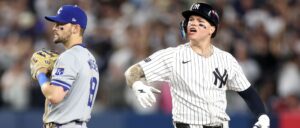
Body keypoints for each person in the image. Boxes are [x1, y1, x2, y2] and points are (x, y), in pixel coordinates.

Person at [124, 2, 270, 128]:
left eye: (199, 20)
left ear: (212, 29)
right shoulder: (173, 56)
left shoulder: (226, 59)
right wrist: (137, 85)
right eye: (191, 19)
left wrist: (263, 116)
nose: (193, 23)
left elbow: (248, 93)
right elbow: (132, 72)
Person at [32, 5, 99, 128]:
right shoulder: (90, 58)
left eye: (60, 24)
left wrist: (40, 73)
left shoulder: (70, 56)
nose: (54, 28)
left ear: (75, 28)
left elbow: (54, 95)